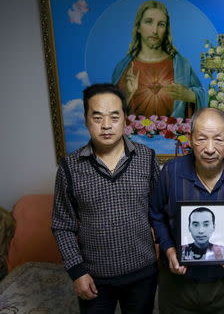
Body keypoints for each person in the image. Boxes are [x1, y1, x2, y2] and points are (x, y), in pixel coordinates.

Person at [52, 83, 160, 314]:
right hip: (94, 279)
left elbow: (159, 211)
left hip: (143, 274)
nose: (107, 125)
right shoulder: (69, 167)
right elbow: (62, 226)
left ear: (125, 118)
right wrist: (77, 271)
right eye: (98, 117)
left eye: (114, 116)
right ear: (86, 119)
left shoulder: (146, 158)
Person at [150, 107, 224, 314]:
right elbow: (156, 214)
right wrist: (169, 249)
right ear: (190, 139)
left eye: (218, 139)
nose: (210, 149)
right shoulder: (171, 172)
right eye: (201, 139)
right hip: (178, 281)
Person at [112, 0, 207, 118]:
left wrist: (190, 96)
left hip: (175, 134)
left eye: (161, 24)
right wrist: (127, 95)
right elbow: (111, 111)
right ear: (138, 27)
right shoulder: (124, 67)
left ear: (166, 30)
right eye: (149, 22)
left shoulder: (180, 64)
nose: (155, 31)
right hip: (132, 135)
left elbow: (202, 94)